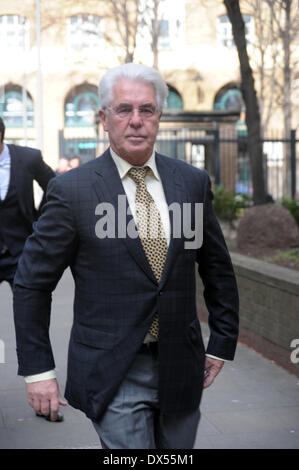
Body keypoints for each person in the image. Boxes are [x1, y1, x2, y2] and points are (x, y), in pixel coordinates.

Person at [13, 63, 239, 449]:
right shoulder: (72, 192)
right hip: (112, 370)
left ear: (159, 117)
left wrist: (222, 341)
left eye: (146, 110)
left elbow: (216, 267)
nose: (136, 121)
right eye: (124, 110)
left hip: (182, 366)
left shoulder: (192, 183)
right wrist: (38, 370)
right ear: (104, 118)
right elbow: (32, 283)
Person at [0, 117, 55, 289]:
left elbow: (54, 186)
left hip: (21, 252)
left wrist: (39, 218)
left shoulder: (28, 158)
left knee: (30, 311)